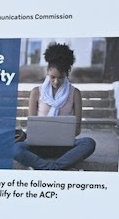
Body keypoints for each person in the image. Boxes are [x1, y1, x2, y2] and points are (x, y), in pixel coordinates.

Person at [12, 41, 97, 170]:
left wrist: (61, 135)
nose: (56, 82)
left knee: (89, 143)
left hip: (64, 148)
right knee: (16, 148)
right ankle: (56, 167)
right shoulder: (36, 92)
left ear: (67, 74)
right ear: (47, 71)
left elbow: (77, 130)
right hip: (38, 147)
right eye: (52, 77)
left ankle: (47, 167)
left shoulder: (75, 93)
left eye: (61, 78)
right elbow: (32, 127)